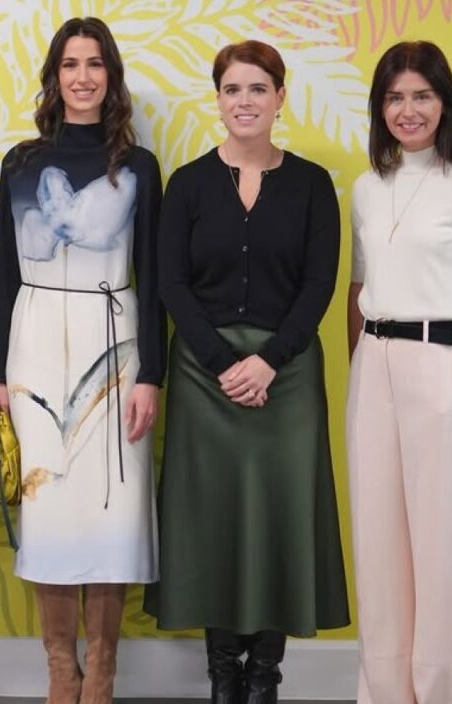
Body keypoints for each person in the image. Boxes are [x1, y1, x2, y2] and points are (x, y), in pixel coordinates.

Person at [144, 41, 350, 703]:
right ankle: (222, 680)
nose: (245, 101)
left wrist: (267, 361)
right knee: (215, 523)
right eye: (233, 89)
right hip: (205, 379)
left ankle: (264, 680)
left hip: (285, 376)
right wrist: (224, 363)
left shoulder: (314, 185)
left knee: (278, 518)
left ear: (280, 97)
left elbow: (319, 285)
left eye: (258, 89)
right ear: (218, 99)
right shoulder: (189, 184)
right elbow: (170, 283)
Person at [0, 17, 164, 704]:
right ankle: (62, 672)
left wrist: (152, 375)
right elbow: (3, 277)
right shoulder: (21, 163)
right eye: (69, 64)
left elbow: (154, 274)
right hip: (34, 344)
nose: (82, 76)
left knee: (113, 512)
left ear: (110, 77)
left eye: (95, 64)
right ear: (54, 77)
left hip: (114, 343)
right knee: (50, 509)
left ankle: (103, 674)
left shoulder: (139, 168)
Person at [346, 41, 452, 704]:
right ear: (379, 106)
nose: (407, 110)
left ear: (444, 102)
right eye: (394, 97)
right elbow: (357, 287)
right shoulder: (365, 187)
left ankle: (437, 694)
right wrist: (358, 362)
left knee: (439, 551)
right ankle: (383, 693)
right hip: (374, 370)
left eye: (421, 95)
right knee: (378, 548)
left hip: (441, 366)